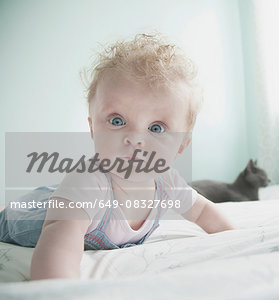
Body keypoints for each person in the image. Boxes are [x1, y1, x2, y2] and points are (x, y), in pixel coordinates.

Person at [0, 33, 235, 280]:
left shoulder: (167, 182)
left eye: (156, 128)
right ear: (93, 129)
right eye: (117, 121)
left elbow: (201, 212)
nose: (134, 138)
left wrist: (235, 238)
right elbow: (59, 245)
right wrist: (59, 293)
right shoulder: (88, 182)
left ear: (181, 146)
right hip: (34, 213)